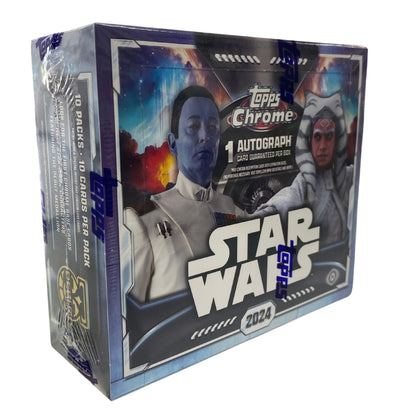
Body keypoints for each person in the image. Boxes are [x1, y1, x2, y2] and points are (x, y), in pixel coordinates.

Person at [124, 86, 245, 303]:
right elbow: (129, 311)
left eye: (212, 128)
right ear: (173, 143)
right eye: (193, 127)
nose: (204, 137)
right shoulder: (143, 221)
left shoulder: (235, 211)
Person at [256, 91, 353, 246]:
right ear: (309, 141)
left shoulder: (348, 177)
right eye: (317, 137)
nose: (323, 146)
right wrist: (258, 219)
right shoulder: (305, 183)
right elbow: (288, 199)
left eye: (329, 137)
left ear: (337, 140)